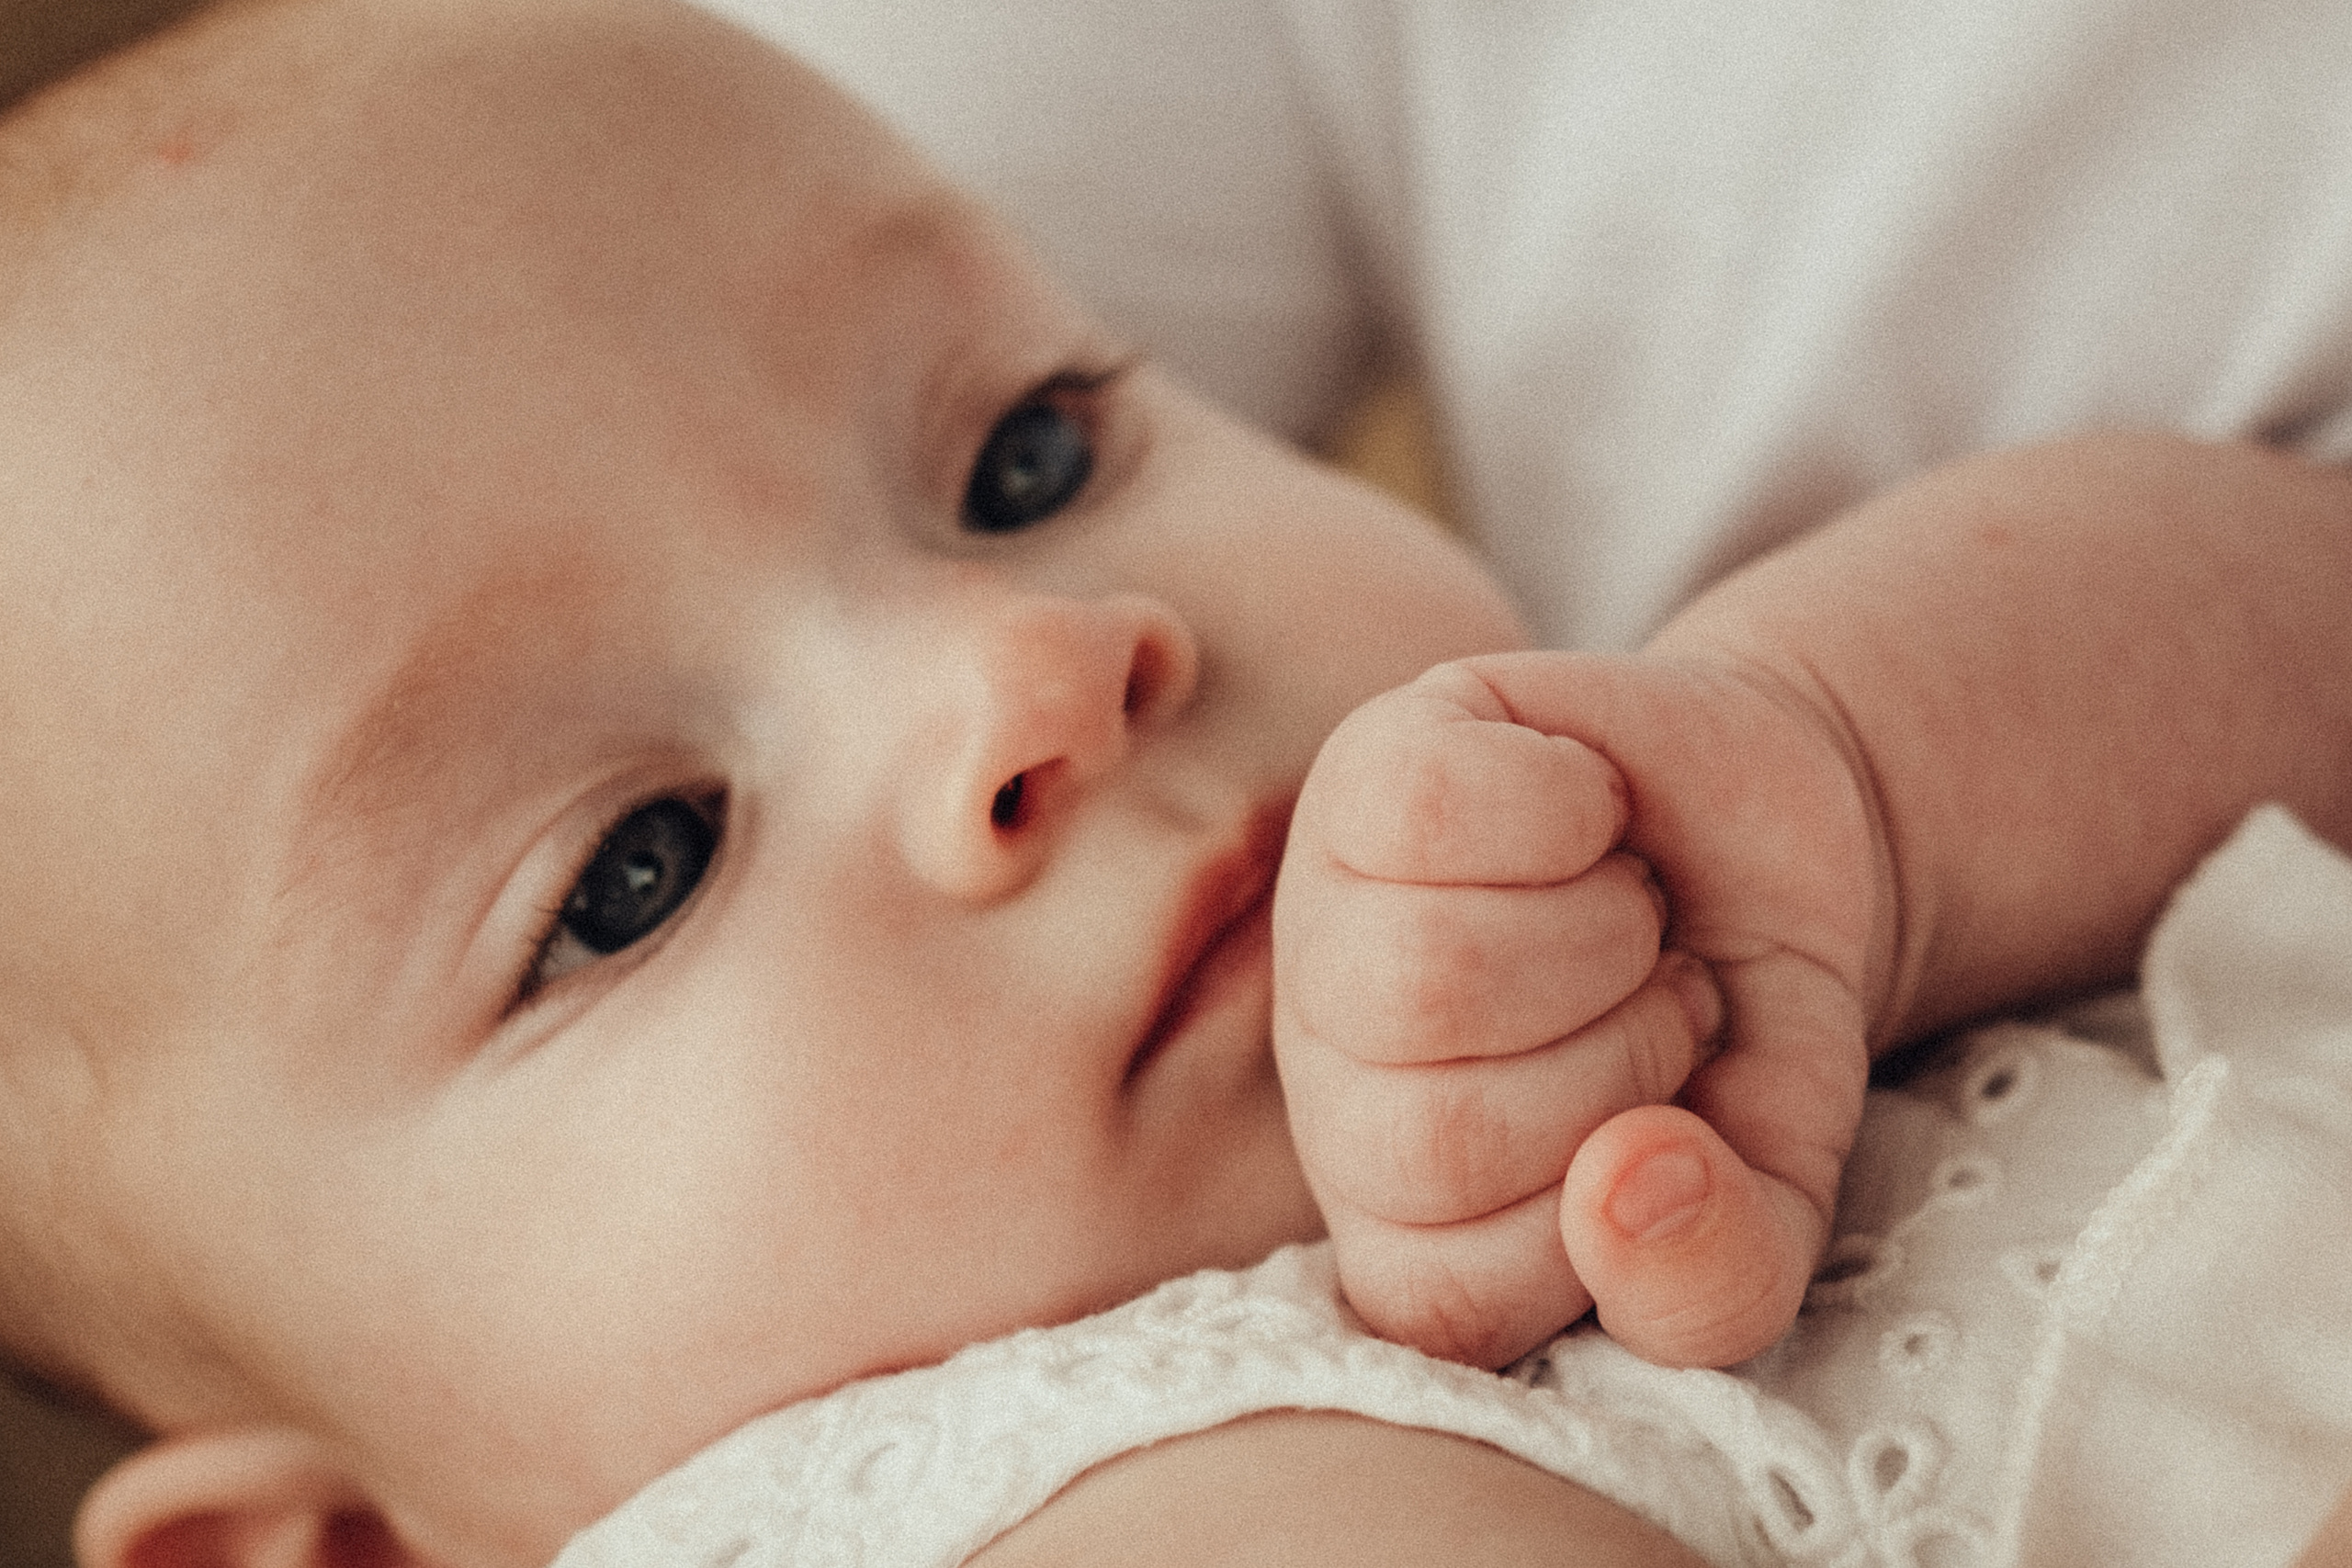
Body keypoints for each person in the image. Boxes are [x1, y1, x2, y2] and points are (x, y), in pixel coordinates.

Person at [0, 4, 2346, 1568]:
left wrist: (1852, 771)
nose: (1028, 668)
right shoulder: (1058, 1503)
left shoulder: (1667, 844)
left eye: (1026, 455)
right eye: (631, 870)